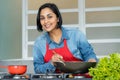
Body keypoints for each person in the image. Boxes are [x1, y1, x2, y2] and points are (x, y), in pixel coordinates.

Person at [33, 3, 98, 74]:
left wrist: (91, 61)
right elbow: (37, 69)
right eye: (42, 18)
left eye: (50, 17)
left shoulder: (75, 34)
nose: (46, 21)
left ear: (57, 18)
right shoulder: (39, 42)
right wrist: (52, 63)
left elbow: (89, 54)